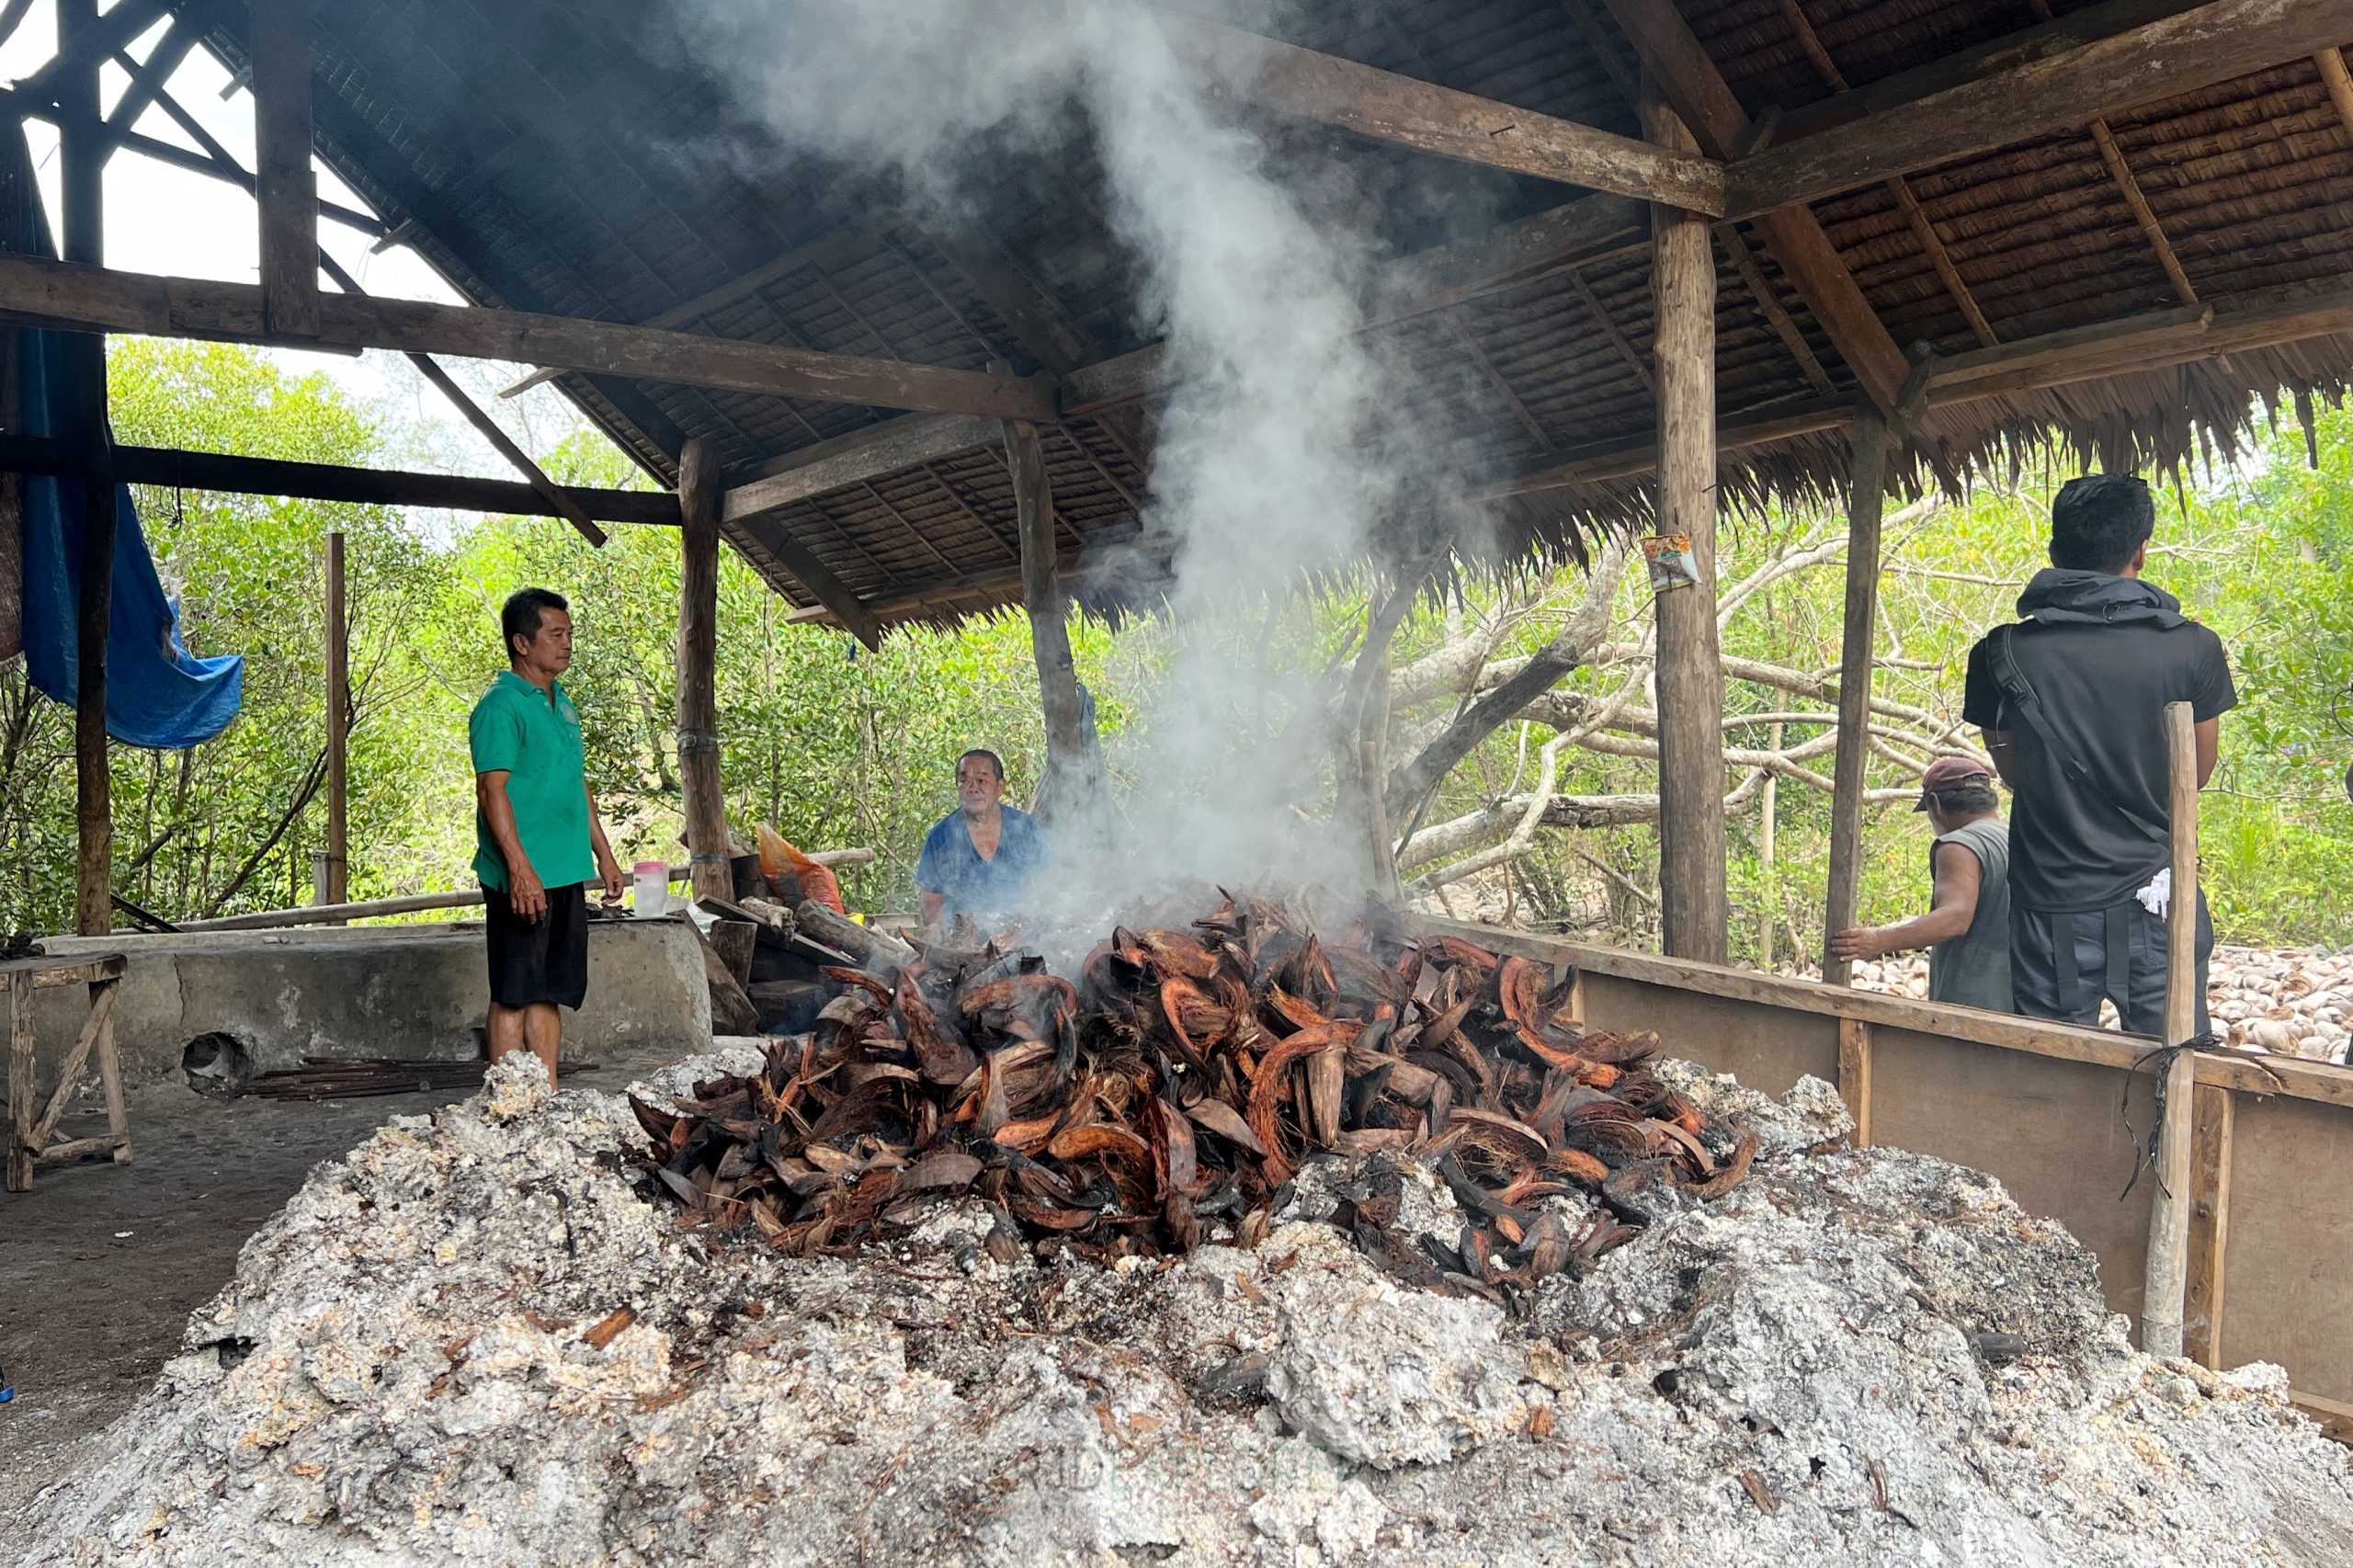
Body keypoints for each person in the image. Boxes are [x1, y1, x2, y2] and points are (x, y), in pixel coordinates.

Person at [1961, 474, 2235, 1038]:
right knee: (2177, 1060)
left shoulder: (2000, 654)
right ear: (2141, 550)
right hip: (2160, 900)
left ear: (2056, 552)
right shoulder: (2193, 648)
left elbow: (2014, 774)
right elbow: (2195, 775)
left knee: (2051, 1075)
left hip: (2051, 905)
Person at [470, 588, 625, 1085]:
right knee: (513, 991)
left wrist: (604, 854)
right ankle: (510, 1100)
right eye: (555, 634)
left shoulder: (562, 704)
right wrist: (519, 868)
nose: (567, 643)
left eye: (569, 633)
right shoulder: (500, 706)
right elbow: (491, 792)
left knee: (548, 990)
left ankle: (547, 1094)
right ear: (521, 642)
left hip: (564, 868)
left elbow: (574, 782)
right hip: (522, 872)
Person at [1829, 758, 2013, 1012]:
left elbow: (1955, 917)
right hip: (2020, 1003)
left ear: (1935, 805)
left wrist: (1878, 941)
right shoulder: (2016, 841)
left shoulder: (1958, 845)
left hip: (1973, 1006)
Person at [915, 749, 1048, 927]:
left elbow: (1046, 884)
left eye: (981, 780)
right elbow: (932, 903)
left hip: (1021, 939)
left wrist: (1029, 924)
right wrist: (944, 938)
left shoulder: (1025, 828)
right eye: (964, 780)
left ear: (1000, 787)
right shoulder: (940, 838)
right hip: (964, 944)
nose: (973, 788)